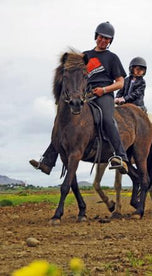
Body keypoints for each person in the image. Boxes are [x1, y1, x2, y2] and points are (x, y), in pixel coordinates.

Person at [29, 21, 129, 175]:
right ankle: (48, 161)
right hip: (86, 95)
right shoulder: (84, 56)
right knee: (64, 122)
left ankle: (121, 157)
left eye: (107, 39)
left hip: (104, 95)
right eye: (101, 37)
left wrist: (103, 89)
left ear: (110, 41)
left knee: (107, 120)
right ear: (96, 37)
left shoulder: (112, 58)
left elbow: (121, 83)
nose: (103, 40)